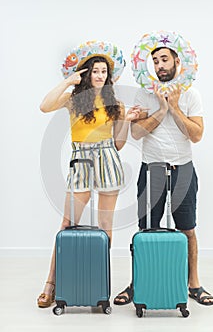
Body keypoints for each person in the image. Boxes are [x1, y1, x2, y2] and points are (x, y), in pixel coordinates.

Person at [37, 43, 141, 308]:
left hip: (108, 158)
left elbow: (118, 144)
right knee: (67, 224)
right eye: (94, 71)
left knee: (106, 231)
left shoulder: (114, 102)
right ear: (86, 73)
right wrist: (69, 81)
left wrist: (126, 120)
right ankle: (51, 284)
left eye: (103, 71)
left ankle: (99, 283)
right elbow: (44, 106)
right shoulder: (75, 98)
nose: (99, 76)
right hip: (81, 160)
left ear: (109, 75)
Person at [113, 45, 213, 306]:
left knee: (188, 230)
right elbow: (136, 133)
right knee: (145, 230)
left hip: (183, 169)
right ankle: (138, 283)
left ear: (176, 61)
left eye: (164, 59)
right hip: (152, 169)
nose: (159, 65)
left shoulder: (192, 94)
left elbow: (196, 135)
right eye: (155, 61)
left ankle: (194, 284)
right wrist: (160, 108)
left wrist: (175, 107)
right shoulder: (145, 94)